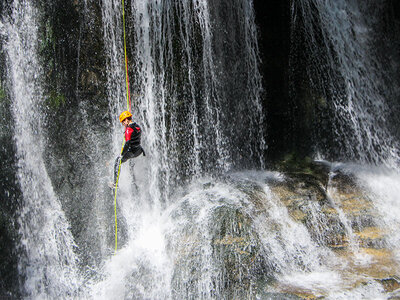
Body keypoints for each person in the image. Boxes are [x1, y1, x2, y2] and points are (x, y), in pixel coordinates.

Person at [113, 111, 145, 186]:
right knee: (130, 162)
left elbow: (127, 143)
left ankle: (115, 183)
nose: (123, 124)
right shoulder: (137, 126)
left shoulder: (128, 130)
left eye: (123, 122)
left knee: (118, 161)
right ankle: (134, 182)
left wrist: (121, 154)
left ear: (126, 120)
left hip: (132, 152)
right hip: (139, 151)